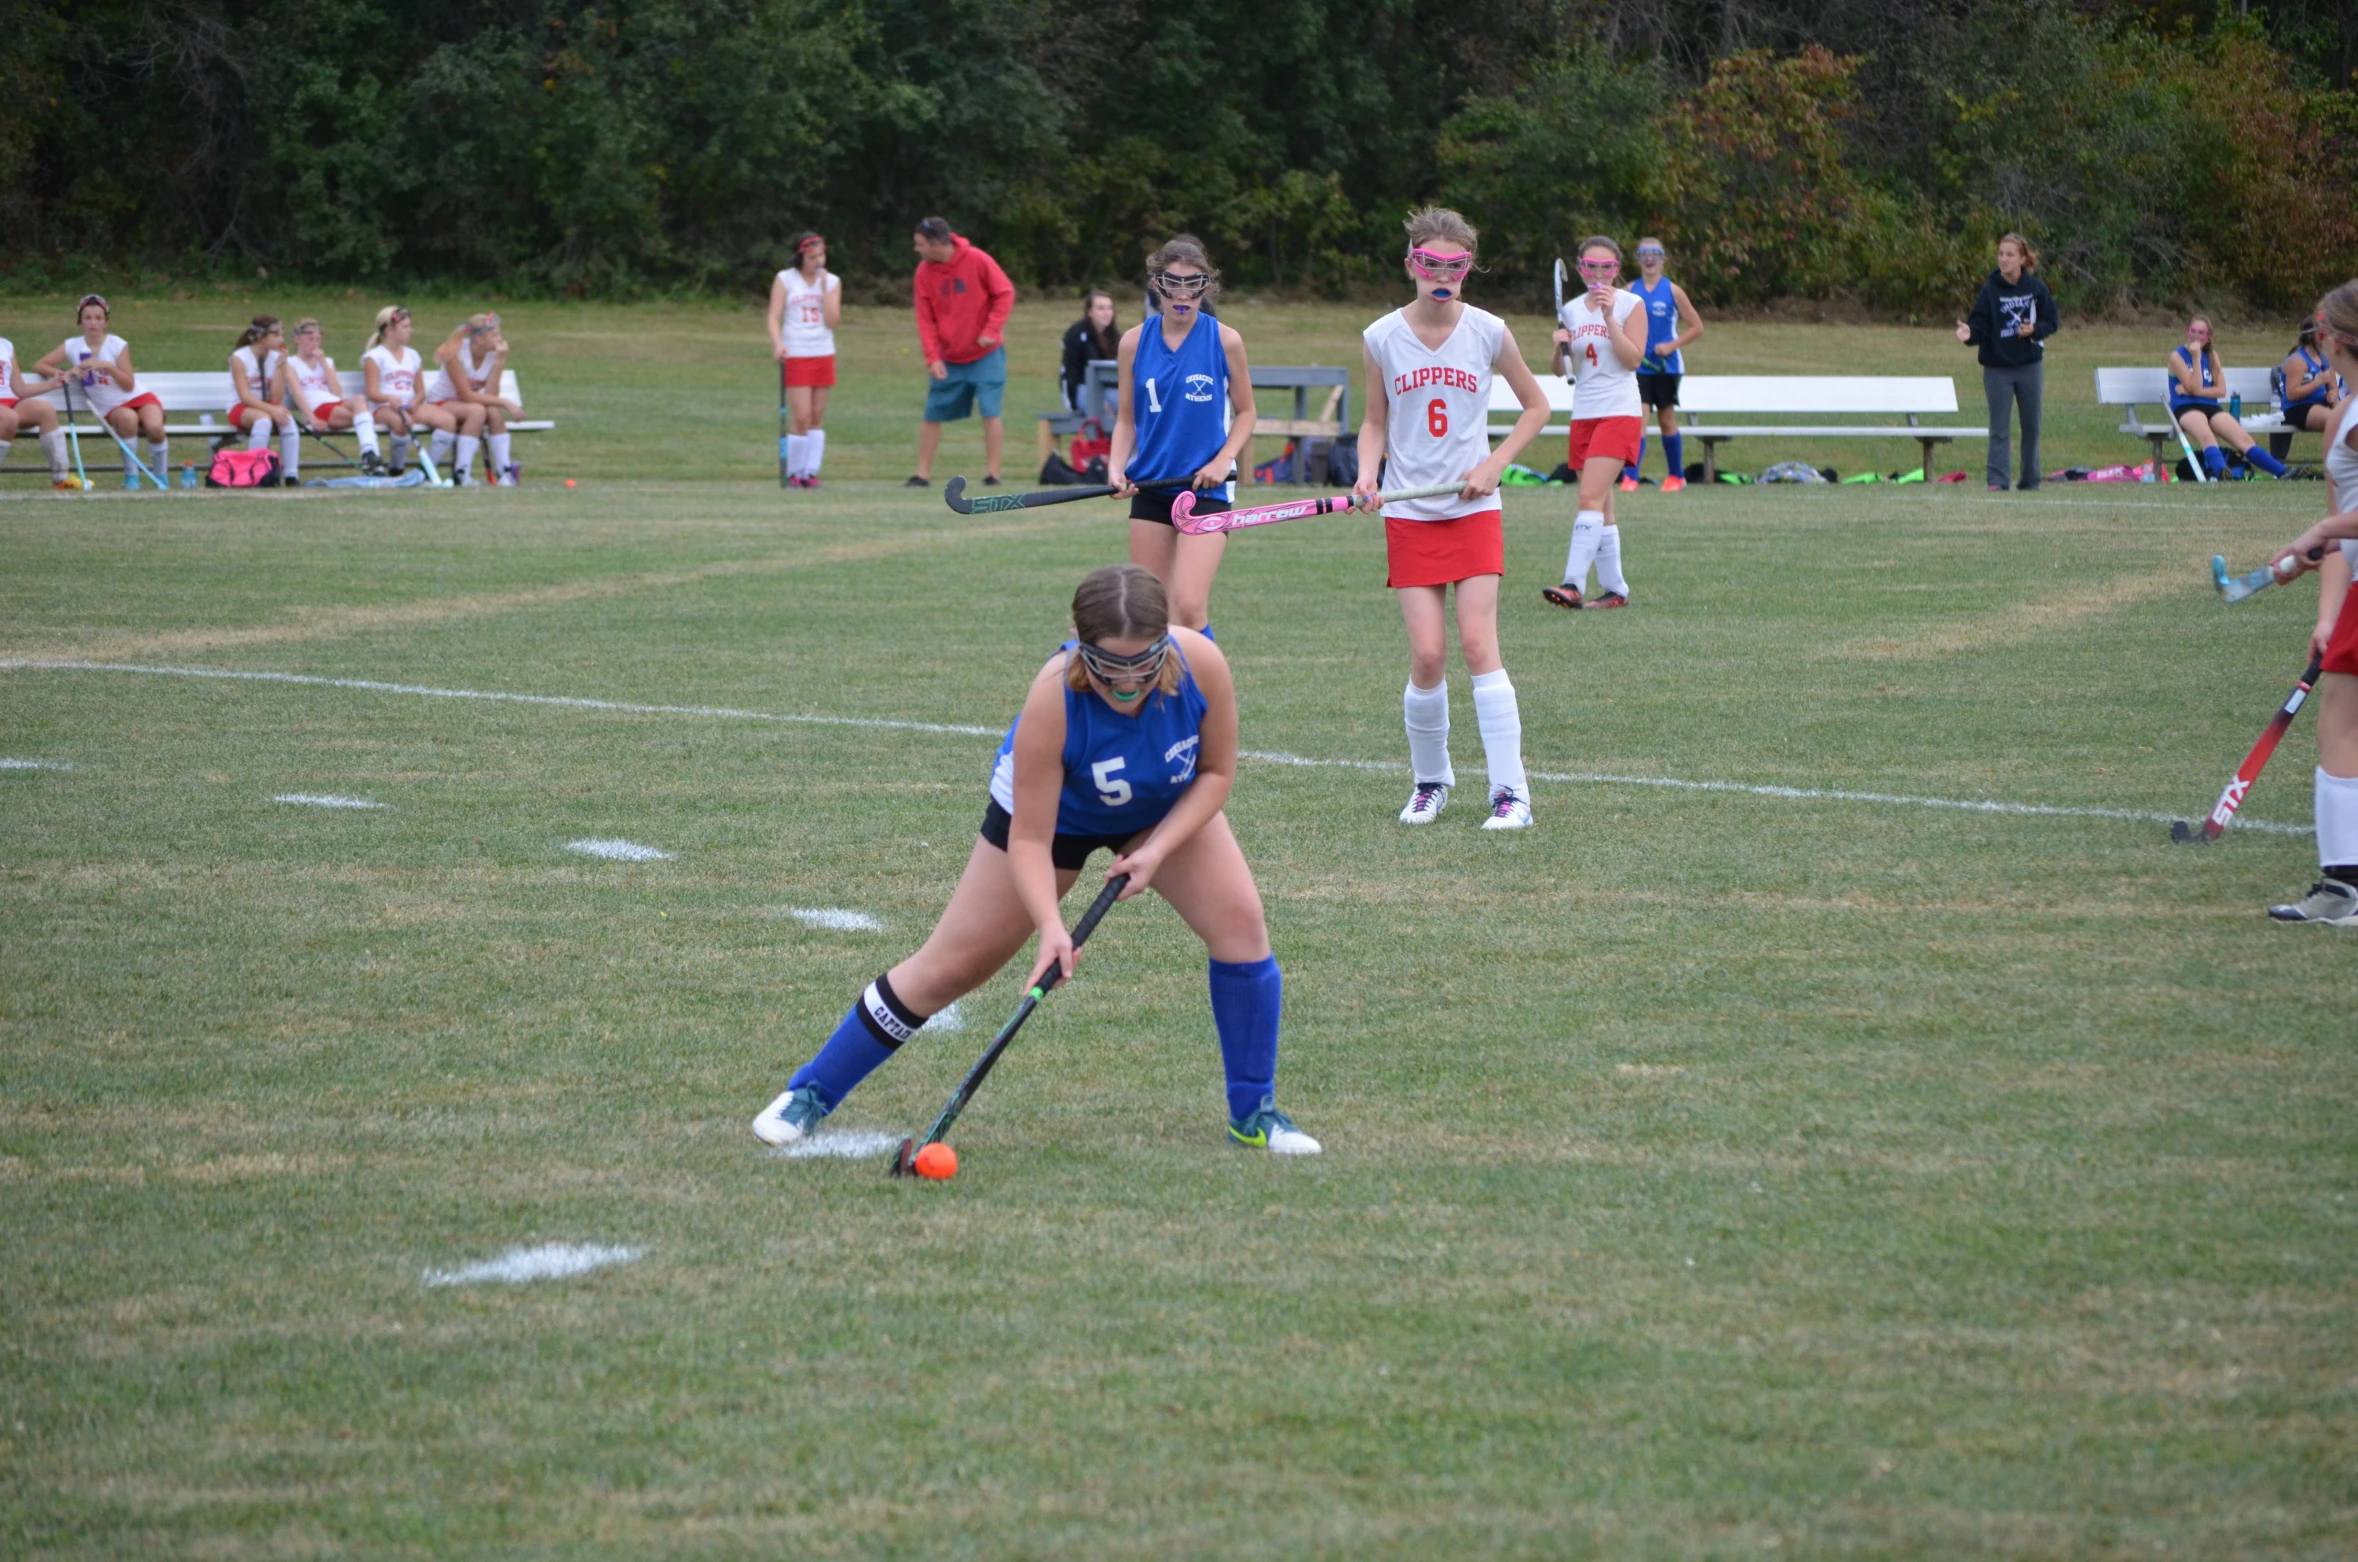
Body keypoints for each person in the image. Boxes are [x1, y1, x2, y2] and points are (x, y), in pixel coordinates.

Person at [751, 563, 1319, 1155]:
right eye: (1108, 666)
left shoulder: (1201, 664)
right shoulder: (1055, 698)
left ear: (1166, 643)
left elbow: (1217, 772)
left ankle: (1255, 1113)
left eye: (1143, 664)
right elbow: (1028, 839)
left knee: (1242, 927)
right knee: (951, 967)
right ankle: (810, 1092)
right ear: (1081, 649)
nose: (1126, 684)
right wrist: (1051, 926)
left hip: (1158, 805)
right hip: (1056, 821)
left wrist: (1154, 852)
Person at [1353, 205, 1552, 830]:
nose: (1443, 275)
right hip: (1410, 511)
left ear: (1470, 267)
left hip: (1473, 508)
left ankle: (1511, 793)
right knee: (1429, 656)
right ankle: (1430, 782)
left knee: (1475, 642)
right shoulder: (1381, 337)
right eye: (1431, 264)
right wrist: (1367, 473)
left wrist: (1493, 465)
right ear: (1411, 264)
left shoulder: (1489, 331)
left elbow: (1537, 407)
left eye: (1456, 265)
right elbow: (1375, 422)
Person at [2260, 281, 2358, 925]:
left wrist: (2320, 535)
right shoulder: (2344, 413)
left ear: (2330, 339)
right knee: (2342, 724)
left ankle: (2344, 890)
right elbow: (2346, 529)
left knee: (2340, 729)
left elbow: (2339, 527)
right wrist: (2326, 612)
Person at [1106, 238, 1256, 635]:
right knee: (1150, 613)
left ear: (1207, 287)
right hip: (1152, 486)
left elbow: (1246, 413)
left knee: (1188, 607)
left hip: (1206, 490)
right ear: (1156, 285)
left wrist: (1224, 460)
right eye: (1172, 284)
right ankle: (1163, 694)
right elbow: (1126, 419)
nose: (1183, 295)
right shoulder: (1133, 342)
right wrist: (1116, 467)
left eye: (1194, 284)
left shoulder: (1225, 340)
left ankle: (1204, 690)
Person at [1543, 236, 1647, 612]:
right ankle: (1615, 589)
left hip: (1618, 410)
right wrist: (1558, 348)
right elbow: (1562, 370)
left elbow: (1634, 358)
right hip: (1584, 412)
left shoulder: (1631, 304)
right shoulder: (1571, 309)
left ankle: (1573, 583)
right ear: (1580, 268)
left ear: (1618, 269)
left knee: (1587, 496)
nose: (1599, 274)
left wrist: (1608, 318)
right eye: (1591, 267)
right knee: (1602, 504)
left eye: (1607, 267)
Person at [906, 216, 1015, 489]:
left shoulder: (978, 259)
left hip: (985, 355)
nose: (916, 249)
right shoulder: (923, 272)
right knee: (932, 413)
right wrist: (932, 357)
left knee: (990, 411)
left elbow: (1004, 293)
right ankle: (921, 475)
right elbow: (925, 318)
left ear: (937, 244)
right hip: (949, 357)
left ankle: (993, 474)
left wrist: (991, 329)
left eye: (920, 244)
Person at [1954, 234, 2058, 492]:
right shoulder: (1990, 291)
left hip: (2029, 367)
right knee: (1999, 428)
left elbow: (2051, 321)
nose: (2004, 259)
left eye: (2010, 254)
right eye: (2001, 254)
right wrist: (1970, 334)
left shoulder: (2035, 289)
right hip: (1997, 369)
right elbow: (1980, 325)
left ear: (2022, 259)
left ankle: (2029, 480)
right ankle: (1998, 481)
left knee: (2031, 425)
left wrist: (2034, 330)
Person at [35, 295, 168, 485]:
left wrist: (109, 367)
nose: (93, 323)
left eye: (98, 318)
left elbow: (129, 384)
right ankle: (132, 477)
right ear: (80, 321)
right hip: (111, 406)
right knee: (127, 419)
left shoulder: (116, 344)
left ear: (106, 322)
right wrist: (68, 372)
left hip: (138, 396)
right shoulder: (73, 345)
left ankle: (161, 475)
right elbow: (40, 365)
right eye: (87, 318)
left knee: (155, 427)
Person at [2166, 315, 2290, 481]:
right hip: (2185, 407)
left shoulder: (2212, 356)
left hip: (2210, 406)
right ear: (2187, 333)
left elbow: (2220, 390)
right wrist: (2195, 358)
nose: (2196, 336)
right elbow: (2195, 389)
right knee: (2206, 436)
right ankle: (2222, 472)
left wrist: (2193, 391)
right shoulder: (2177, 357)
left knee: (2244, 439)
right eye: (2193, 331)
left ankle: (2283, 472)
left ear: (2208, 337)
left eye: (2201, 333)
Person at [1624, 236, 1703, 493]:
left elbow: (1697, 327)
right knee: (1639, 418)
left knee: (1667, 420)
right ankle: (1631, 478)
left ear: (1663, 260)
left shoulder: (1672, 291)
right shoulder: (1628, 290)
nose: (1650, 259)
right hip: (1639, 366)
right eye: (1644, 254)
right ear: (1637, 259)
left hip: (1667, 367)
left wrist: (1671, 346)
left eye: (1655, 254)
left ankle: (1676, 476)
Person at [768, 232, 841, 488]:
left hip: (823, 350)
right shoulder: (785, 279)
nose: (818, 261)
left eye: (821, 255)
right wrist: (778, 344)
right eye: (812, 257)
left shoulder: (831, 281)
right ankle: (794, 472)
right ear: (801, 257)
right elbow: (773, 316)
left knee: (817, 415)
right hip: (797, 351)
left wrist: (823, 289)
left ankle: (810, 472)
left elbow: (832, 321)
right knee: (801, 416)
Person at [285, 318, 385, 479]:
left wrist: (324, 364)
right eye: (310, 339)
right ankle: (374, 460)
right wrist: (311, 419)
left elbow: (337, 393)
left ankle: (369, 453)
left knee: (360, 400)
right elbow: (297, 394)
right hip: (318, 408)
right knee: (365, 419)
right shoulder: (290, 363)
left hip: (334, 404)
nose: (315, 343)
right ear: (297, 339)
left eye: (318, 339)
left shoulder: (327, 361)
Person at [362, 306, 443, 477]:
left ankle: (427, 471)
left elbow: (421, 391)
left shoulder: (413, 355)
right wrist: (390, 398)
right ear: (390, 330)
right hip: (383, 407)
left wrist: (416, 401)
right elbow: (372, 393)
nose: (410, 331)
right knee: (403, 422)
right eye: (405, 327)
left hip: (409, 406)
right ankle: (396, 469)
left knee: (448, 421)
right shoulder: (375, 357)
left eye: (409, 326)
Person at [419, 316, 495, 486]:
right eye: (495, 335)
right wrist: (507, 403)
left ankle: (503, 472)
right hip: (440, 402)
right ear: (478, 339)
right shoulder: (456, 353)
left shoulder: (493, 354)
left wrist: (501, 360)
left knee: (489, 412)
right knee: (477, 411)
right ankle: (459, 473)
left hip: (462, 405)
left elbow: (492, 394)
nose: (500, 339)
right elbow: (467, 396)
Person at [0, 330, 77, 489]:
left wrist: (53, 384)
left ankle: (61, 478)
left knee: (45, 410)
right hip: (6, 413)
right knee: (9, 418)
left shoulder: (6, 345)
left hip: (9, 403)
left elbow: (20, 389)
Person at [226, 315, 297, 482]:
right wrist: (271, 410)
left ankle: (291, 475)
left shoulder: (277, 357)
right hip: (241, 407)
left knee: (287, 419)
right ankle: (253, 472)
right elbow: (244, 397)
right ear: (261, 338)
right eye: (276, 335)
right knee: (264, 420)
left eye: (282, 334)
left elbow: (276, 397)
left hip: (266, 406)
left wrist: (280, 366)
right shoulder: (240, 358)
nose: (281, 339)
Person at [2280, 319, 2346, 438]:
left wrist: (2333, 395)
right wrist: (2317, 382)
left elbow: (2334, 388)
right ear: (2312, 336)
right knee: (2337, 421)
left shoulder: (2324, 358)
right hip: (2299, 408)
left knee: (2351, 420)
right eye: (2323, 334)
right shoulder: (2297, 360)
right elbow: (2291, 394)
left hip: (2321, 405)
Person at [1061, 289, 1120, 419]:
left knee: (1132, 409)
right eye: (1100, 308)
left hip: (1109, 389)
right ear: (1090, 312)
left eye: (1110, 308)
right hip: (1082, 388)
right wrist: (1072, 404)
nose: (1106, 313)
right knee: (1104, 414)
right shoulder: (1076, 334)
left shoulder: (1115, 336)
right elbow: (1070, 372)